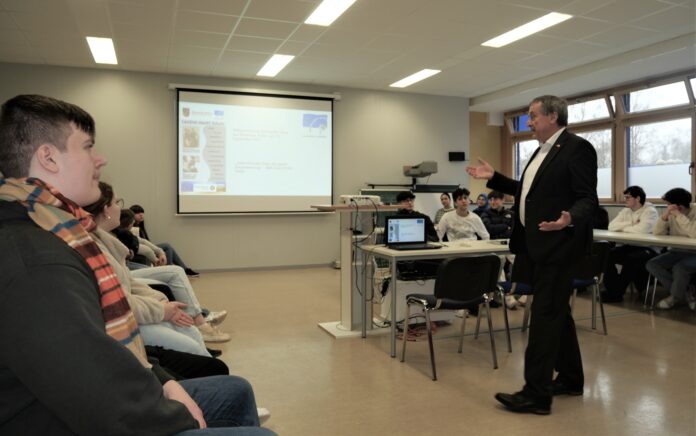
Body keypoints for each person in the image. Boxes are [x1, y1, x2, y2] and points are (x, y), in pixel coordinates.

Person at [0, 94, 273, 435]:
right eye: (87, 147)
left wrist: (164, 381)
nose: (100, 159)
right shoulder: (36, 261)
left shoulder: (55, 229)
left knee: (236, 391)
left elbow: (105, 350)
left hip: (97, 402)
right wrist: (182, 417)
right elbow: (103, 399)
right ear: (49, 157)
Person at [467, 95, 598, 415]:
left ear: (553, 116)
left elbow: (587, 198)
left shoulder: (577, 148)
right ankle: (570, 378)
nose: (528, 122)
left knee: (543, 318)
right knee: (556, 315)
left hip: (559, 248)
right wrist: (494, 177)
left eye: (533, 115)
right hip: (537, 248)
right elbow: (527, 191)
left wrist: (570, 217)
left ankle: (536, 395)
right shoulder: (541, 152)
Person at [601, 186, 659, 303]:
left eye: (628, 197)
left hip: (648, 248)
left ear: (637, 198)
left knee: (631, 259)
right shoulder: (626, 211)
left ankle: (617, 293)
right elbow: (611, 226)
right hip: (631, 246)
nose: (625, 200)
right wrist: (631, 223)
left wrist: (623, 227)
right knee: (607, 255)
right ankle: (613, 290)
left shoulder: (650, 211)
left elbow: (642, 231)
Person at [645, 188, 696, 310]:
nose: (667, 207)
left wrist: (679, 215)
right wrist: (664, 217)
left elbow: (694, 233)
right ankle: (686, 293)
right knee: (652, 264)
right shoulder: (671, 213)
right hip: (677, 250)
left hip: (694, 252)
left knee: (680, 267)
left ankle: (674, 297)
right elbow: (657, 232)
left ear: (679, 206)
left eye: (669, 205)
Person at [130, 204, 200, 276]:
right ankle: (173, 269)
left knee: (168, 247)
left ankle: (178, 269)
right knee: (167, 246)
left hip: (147, 248)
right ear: (132, 215)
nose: (141, 215)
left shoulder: (141, 227)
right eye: (138, 213)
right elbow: (140, 243)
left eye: (142, 212)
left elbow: (146, 241)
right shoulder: (132, 229)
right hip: (141, 250)